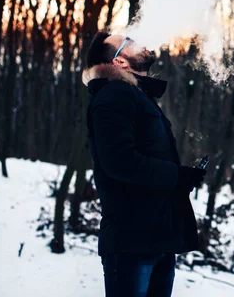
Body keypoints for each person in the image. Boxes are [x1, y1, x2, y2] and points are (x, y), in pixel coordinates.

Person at [83, 31, 206, 297]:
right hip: (131, 243)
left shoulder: (136, 97)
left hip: (157, 239)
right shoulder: (114, 94)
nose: (138, 42)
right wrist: (177, 176)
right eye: (128, 42)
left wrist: (184, 178)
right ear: (119, 62)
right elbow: (119, 162)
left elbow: (146, 162)